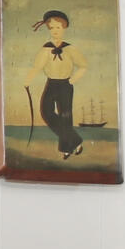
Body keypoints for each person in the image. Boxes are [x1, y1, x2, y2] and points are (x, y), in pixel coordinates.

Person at [30, 8, 85, 158]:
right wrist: (28, 80)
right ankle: (75, 140)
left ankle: (66, 149)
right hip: (51, 83)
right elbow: (37, 66)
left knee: (65, 116)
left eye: (58, 27)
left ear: (64, 28)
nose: (55, 30)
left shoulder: (70, 48)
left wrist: (73, 79)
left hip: (65, 85)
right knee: (46, 112)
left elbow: (83, 65)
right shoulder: (46, 48)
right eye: (52, 27)